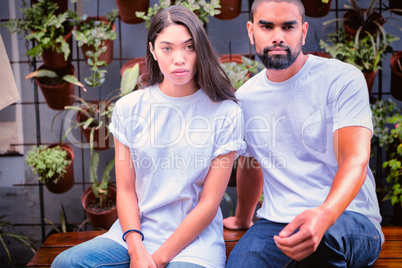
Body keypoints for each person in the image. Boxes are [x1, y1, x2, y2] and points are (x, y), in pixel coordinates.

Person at [52, 6, 245, 268]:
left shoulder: (225, 112)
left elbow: (209, 203)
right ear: (153, 51)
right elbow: (127, 191)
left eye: (189, 47)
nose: (179, 58)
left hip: (194, 242)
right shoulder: (129, 108)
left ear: (200, 49)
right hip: (135, 235)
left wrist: (160, 258)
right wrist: (136, 250)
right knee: (67, 263)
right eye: (167, 48)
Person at [223, 0, 383, 267]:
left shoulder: (342, 79)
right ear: (251, 31)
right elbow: (251, 166)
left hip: (349, 218)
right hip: (277, 222)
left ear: (304, 31)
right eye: (266, 26)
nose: (277, 37)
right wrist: (242, 219)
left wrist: (324, 214)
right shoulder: (245, 99)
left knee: (321, 247)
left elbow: (354, 159)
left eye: (288, 27)